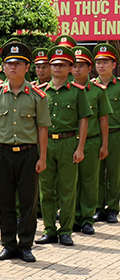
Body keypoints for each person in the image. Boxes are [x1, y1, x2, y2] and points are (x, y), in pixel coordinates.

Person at [0, 41, 49, 263]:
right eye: (9, 64)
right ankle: (8, 244)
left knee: (28, 201)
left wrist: (42, 157)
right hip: (3, 153)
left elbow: (42, 128)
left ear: (26, 67)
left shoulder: (37, 96)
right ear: (3, 68)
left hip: (28, 153)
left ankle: (25, 245)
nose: (13, 67)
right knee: (5, 200)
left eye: (18, 63)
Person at [36, 46, 90, 247]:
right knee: (46, 189)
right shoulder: (41, 92)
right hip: (46, 143)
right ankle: (49, 229)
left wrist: (80, 147)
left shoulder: (77, 92)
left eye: (62, 65)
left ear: (69, 68)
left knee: (67, 189)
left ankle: (66, 230)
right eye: (54, 65)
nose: (57, 68)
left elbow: (83, 120)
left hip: (68, 143)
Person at [72, 46, 111, 235]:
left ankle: (87, 218)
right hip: (70, 142)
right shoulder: (66, 90)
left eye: (82, 66)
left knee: (89, 182)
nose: (77, 69)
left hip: (92, 142)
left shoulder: (98, 91)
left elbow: (103, 119)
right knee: (70, 182)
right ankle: (71, 217)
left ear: (89, 69)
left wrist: (104, 144)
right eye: (74, 66)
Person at [93, 42, 120, 223]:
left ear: (114, 65)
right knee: (96, 173)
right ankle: (98, 207)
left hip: (115, 134)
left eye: (105, 62)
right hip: (95, 136)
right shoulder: (90, 87)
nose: (101, 65)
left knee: (114, 173)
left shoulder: (119, 86)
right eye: (98, 62)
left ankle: (113, 208)